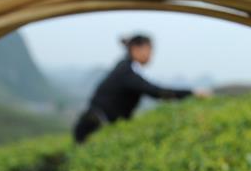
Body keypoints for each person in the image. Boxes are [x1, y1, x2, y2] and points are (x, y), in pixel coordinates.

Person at [72, 34, 211, 144]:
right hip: (92, 130)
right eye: (149, 50)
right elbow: (156, 92)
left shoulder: (124, 67)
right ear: (136, 49)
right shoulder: (126, 72)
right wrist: (192, 93)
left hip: (93, 126)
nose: (151, 55)